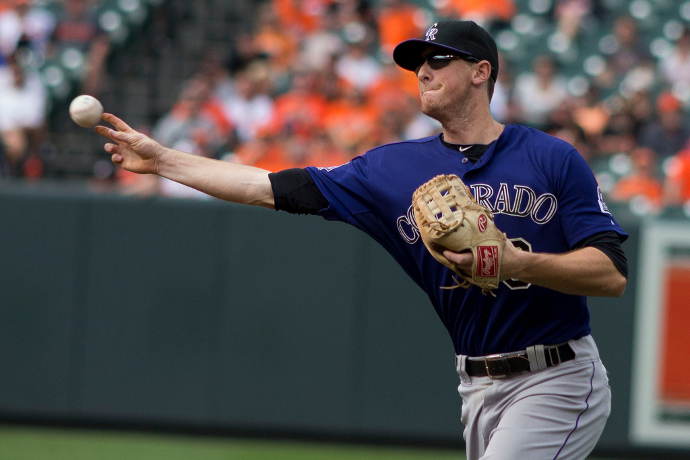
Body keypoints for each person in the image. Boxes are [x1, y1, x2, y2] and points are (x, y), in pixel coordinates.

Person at [96, 20, 628, 460]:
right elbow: (269, 187)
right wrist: (165, 160)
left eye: (438, 59)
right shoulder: (391, 169)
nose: (423, 70)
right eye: (418, 62)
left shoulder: (552, 158)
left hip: (557, 375)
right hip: (476, 386)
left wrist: (514, 261)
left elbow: (611, 274)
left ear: (480, 73)